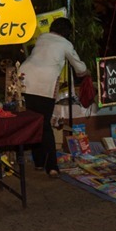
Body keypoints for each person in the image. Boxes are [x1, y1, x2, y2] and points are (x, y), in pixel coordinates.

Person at [19, 16, 88, 178]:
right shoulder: (65, 44)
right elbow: (80, 68)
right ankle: (52, 166)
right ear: (67, 33)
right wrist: (85, 72)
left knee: (35, 122)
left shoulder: (42, 38)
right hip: (43, 85)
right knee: (44, 125)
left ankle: (38, 162)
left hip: (25, 80)